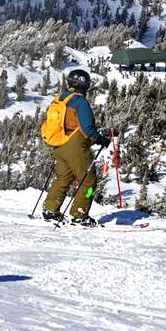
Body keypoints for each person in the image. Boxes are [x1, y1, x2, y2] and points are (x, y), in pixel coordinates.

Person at [41, 69, 111, 227]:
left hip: (58, 143)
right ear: (85, 84)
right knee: (89, 180)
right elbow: (87, 128)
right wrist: (101, 139)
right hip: (75, 145)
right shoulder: (80, 102)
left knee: (63, 178)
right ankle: (80, 215)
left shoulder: (60, 99)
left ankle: (50, 210)